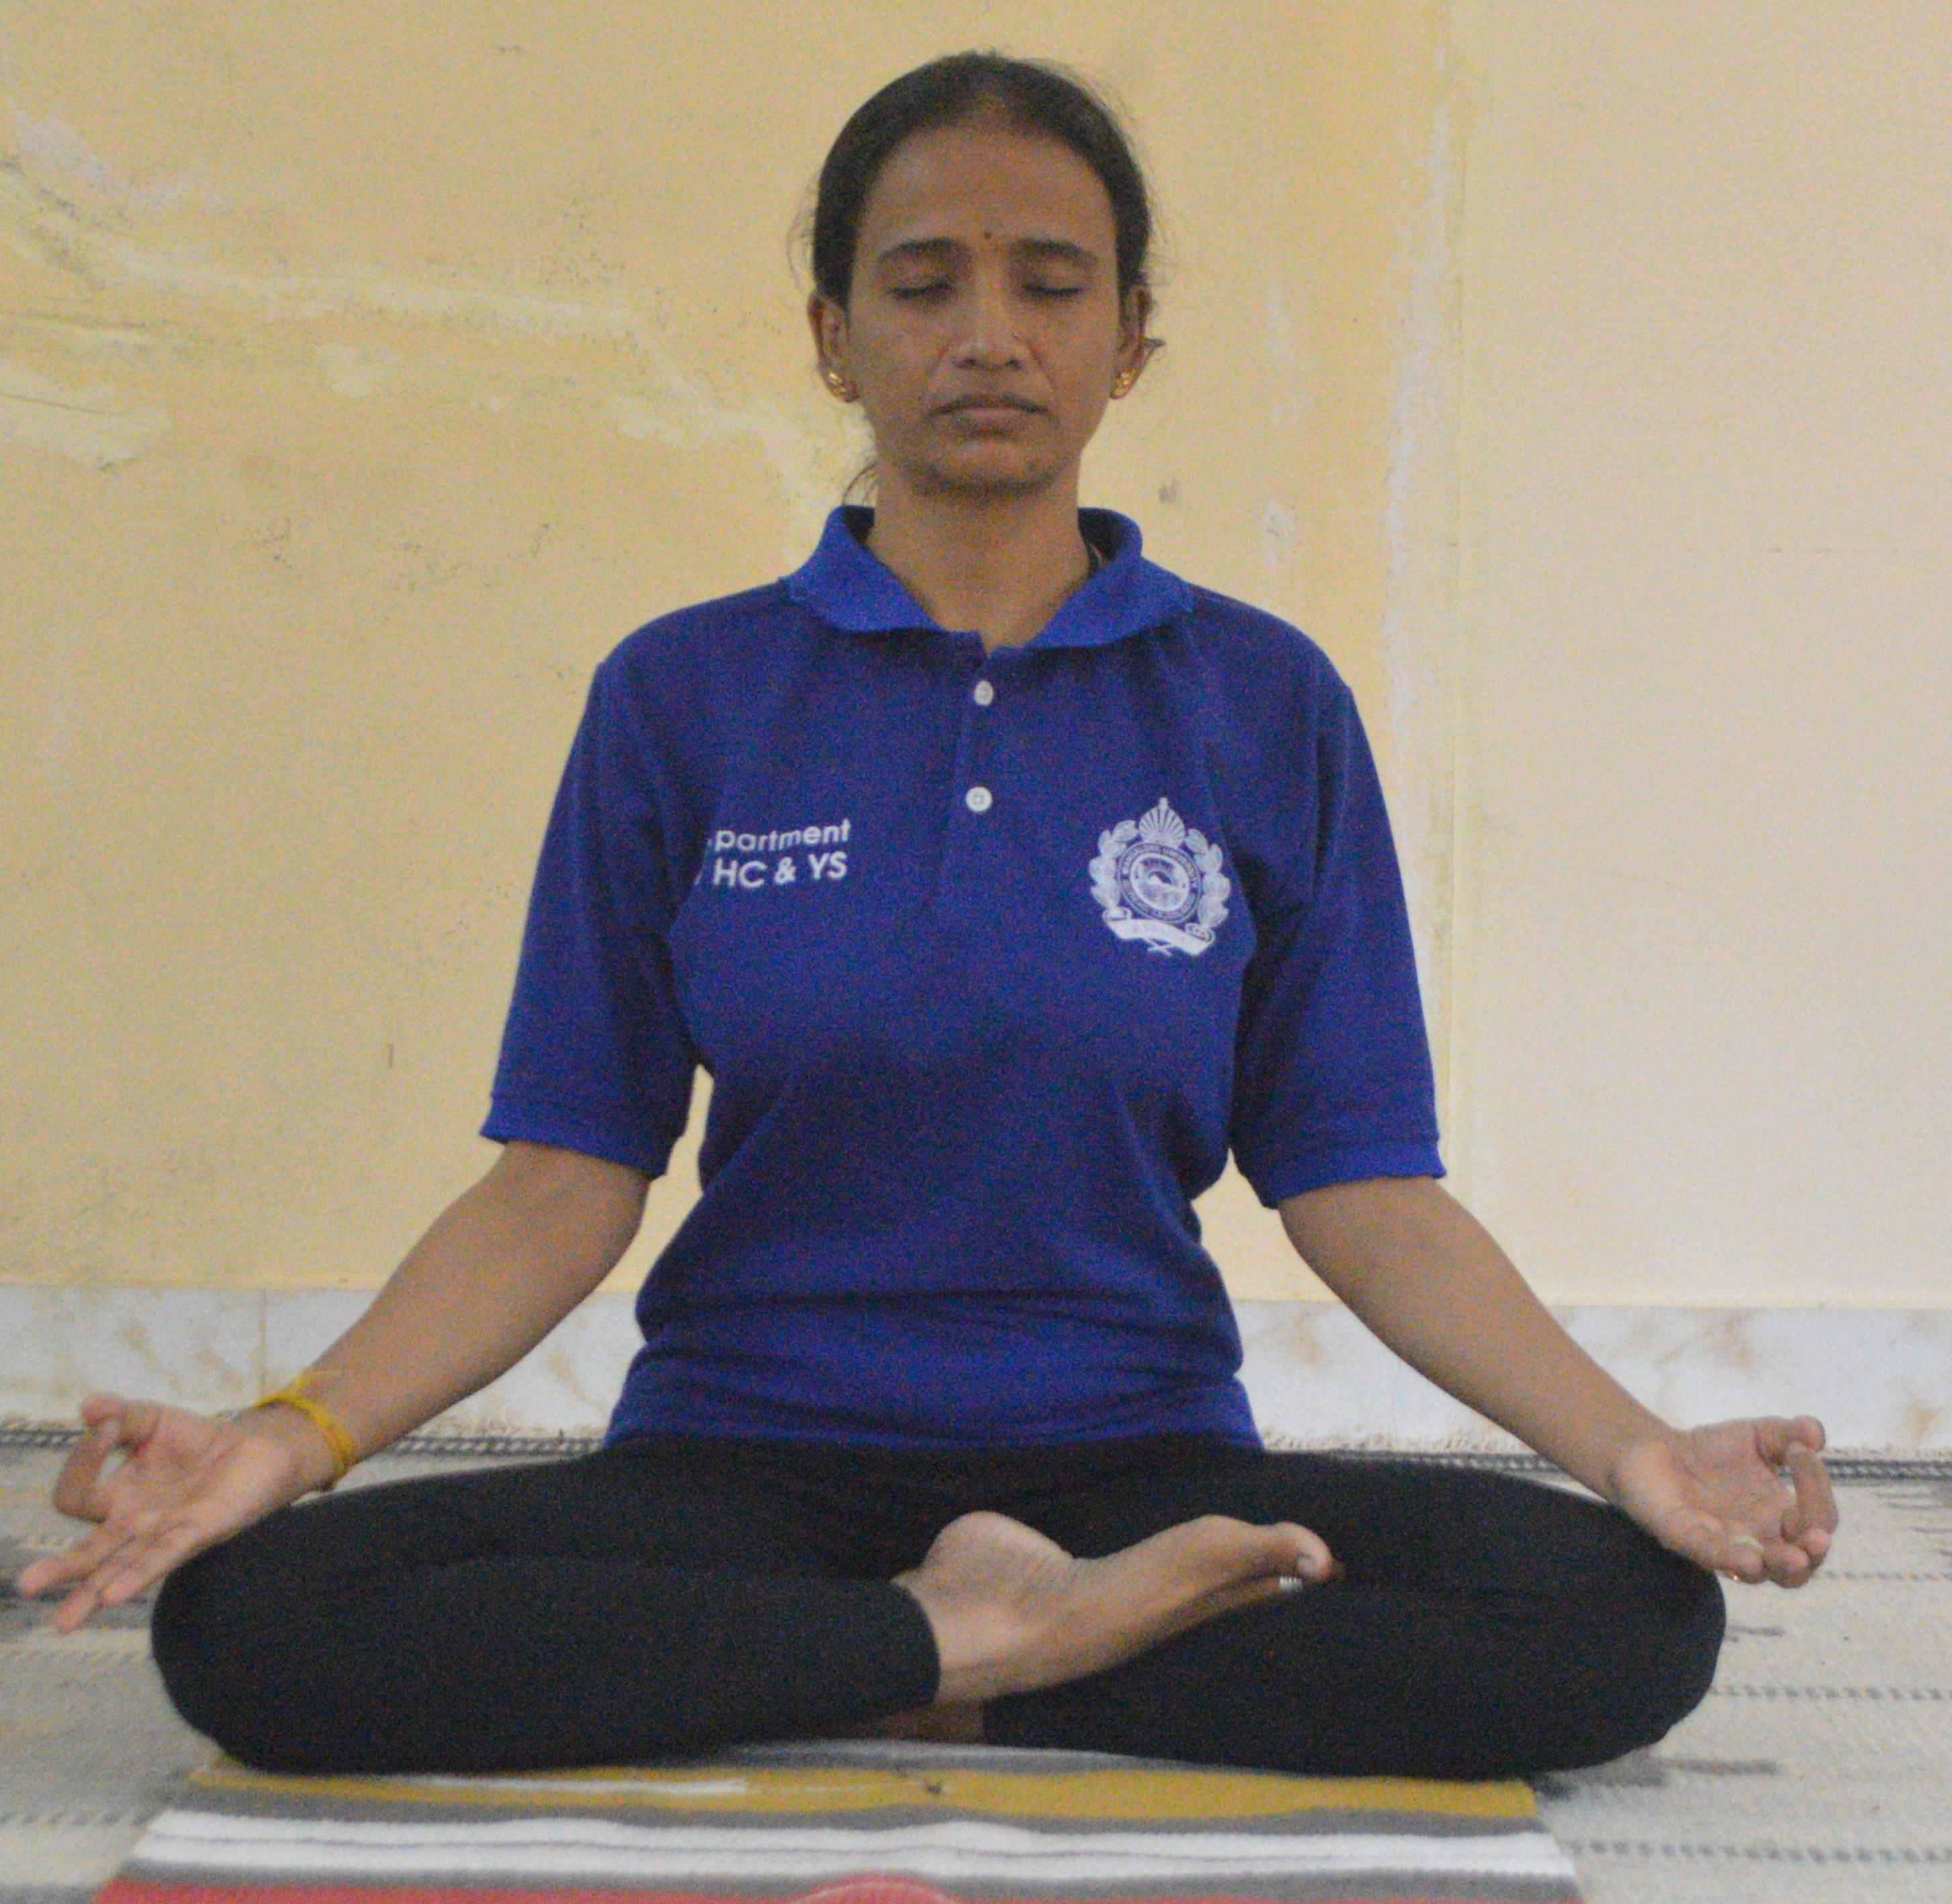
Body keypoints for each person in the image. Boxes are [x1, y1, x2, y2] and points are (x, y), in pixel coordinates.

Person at [17, 52, 1837, 1781]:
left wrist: (1635, 1447)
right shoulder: (686, 695)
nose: (987, 333)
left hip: (1132, 1464)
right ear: (831, 336)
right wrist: (286, 1435)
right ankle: (994, 1656)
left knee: (1611, 1613)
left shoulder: (1258, 704)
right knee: (260, 1621)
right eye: (921, 282)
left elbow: (1361, 1186)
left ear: (1128, 341)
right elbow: (561, 1176)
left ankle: (893, 1661)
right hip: (740, 1473)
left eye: (1051, 283)